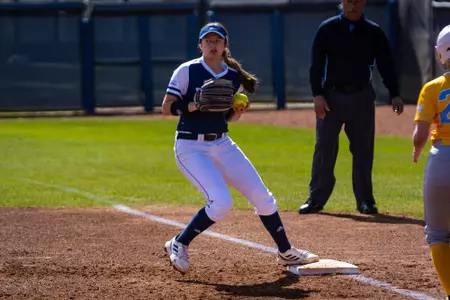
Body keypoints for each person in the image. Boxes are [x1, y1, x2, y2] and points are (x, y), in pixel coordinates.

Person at [161, 22, 319, 275]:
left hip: (221, 143)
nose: (212, 45)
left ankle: (286, 252)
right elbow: (166, 107)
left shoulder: (233, 76)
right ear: (200, 44)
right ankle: (179, 242)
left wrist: (237, 111)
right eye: (208, 40)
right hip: (191, 146)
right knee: (221, 202)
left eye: (217, 41)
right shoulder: (187, 71)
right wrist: (191, 106)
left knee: (264, 199)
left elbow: (227, 119)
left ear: (225, 46)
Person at [299, 0, 404, 215]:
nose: (353, 6)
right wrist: (317, 94)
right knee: (325, 147)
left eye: (357, 1)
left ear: (364, 2)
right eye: (348, 1)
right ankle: (316, 198)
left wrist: (394, 94)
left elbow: (386, 63)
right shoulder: (327, 29)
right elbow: (316, 65)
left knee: (363, 150)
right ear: (342, 2)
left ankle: (365, 200)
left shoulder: (373, 32)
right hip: (331, 97)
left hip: (362, 97)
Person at [412, 24, 450, 300]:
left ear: (440, 55)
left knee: (438, 234)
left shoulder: (432, 88)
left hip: (442, 160)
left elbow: (421, 134)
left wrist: (417, 150)